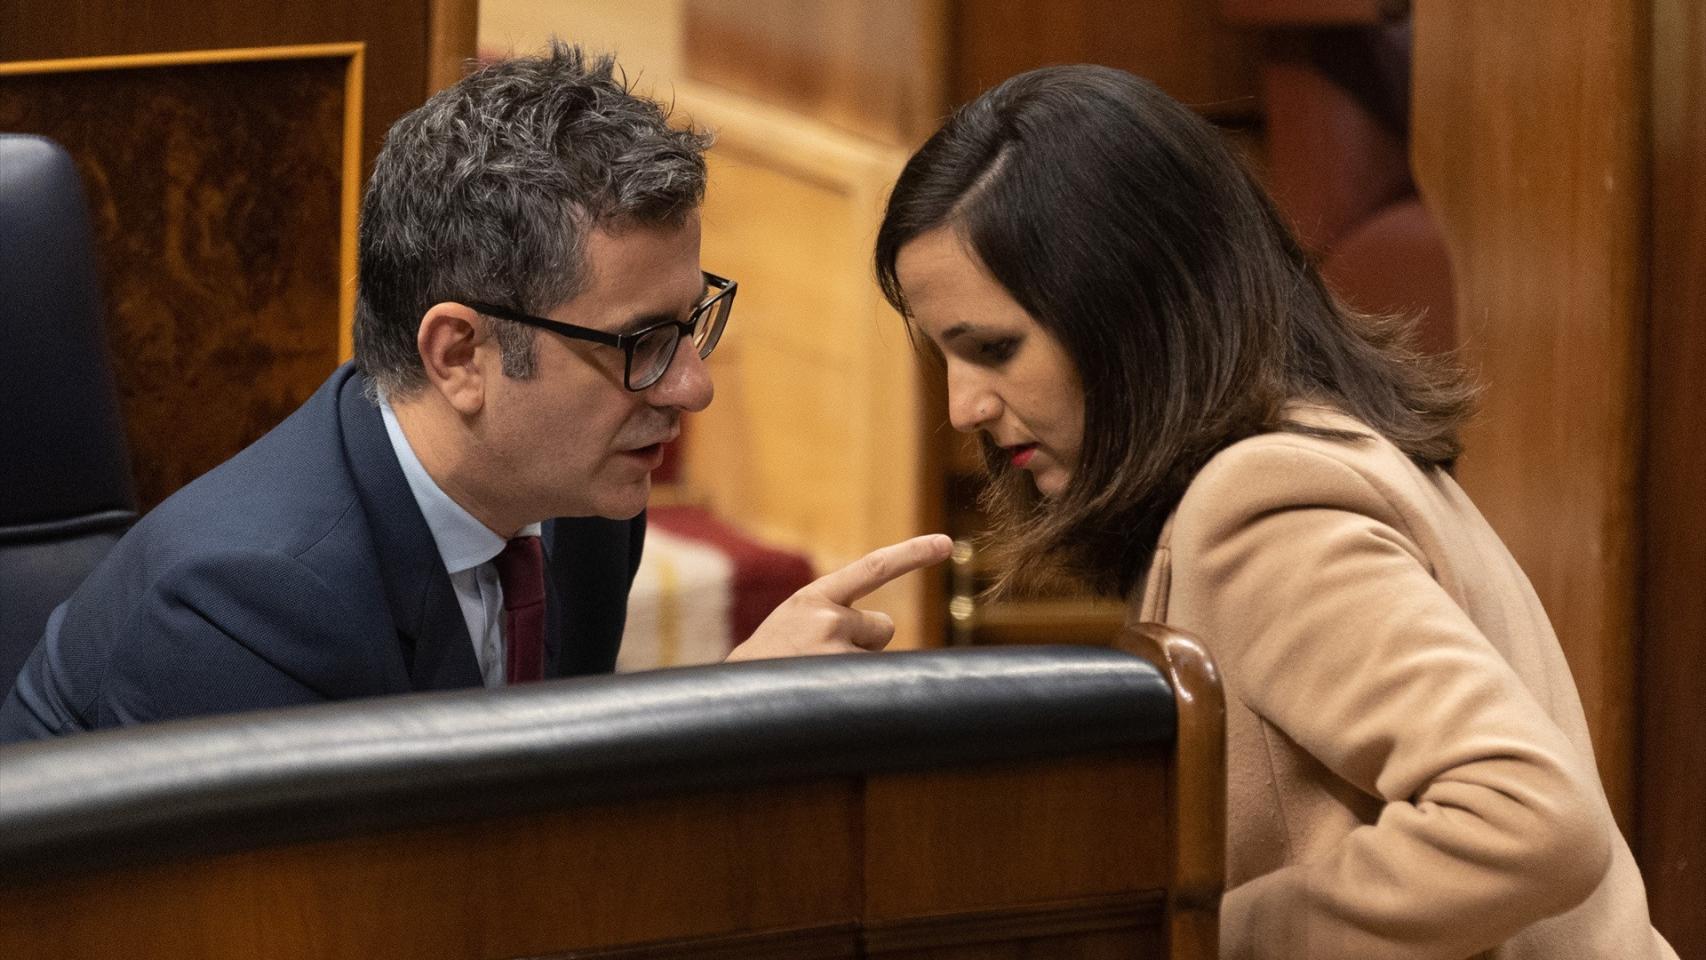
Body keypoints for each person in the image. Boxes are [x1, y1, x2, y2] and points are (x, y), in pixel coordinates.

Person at [874, 65, 1676, 960]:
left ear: (1135, 309)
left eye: (994, 348)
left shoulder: (1261, 506)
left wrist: (1200, 940)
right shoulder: (1318, 447)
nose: (964, 408)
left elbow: (1530, 818)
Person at [0, 42, 949, 741]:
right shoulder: (241, 610)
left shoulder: (576, 502)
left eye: (689, 324)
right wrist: (720, 717)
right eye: (640, 344)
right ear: (459, 355)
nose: (691, 387)